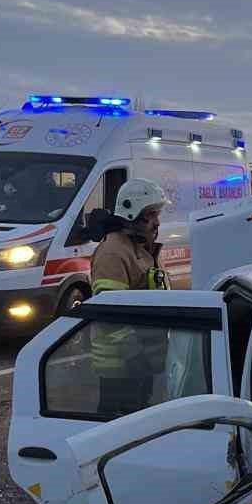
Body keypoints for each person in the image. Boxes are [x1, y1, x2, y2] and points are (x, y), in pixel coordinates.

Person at [89, 178, 170, 419]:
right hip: (121, 365)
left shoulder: (142, 249)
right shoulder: (114, 252)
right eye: (152, 214)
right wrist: (135, 355)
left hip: (140, 361)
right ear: (132, 214)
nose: (157, 221)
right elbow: (109, 314)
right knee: (119, 428)